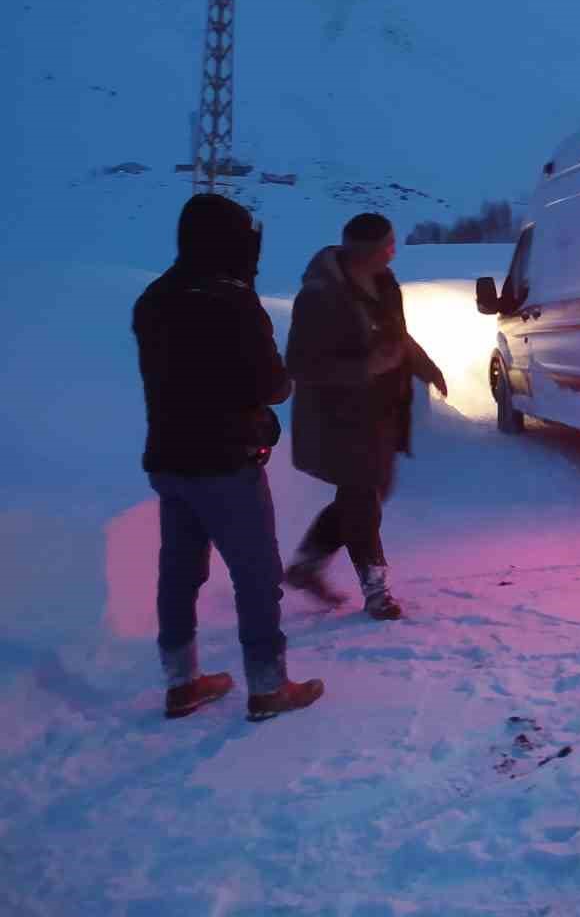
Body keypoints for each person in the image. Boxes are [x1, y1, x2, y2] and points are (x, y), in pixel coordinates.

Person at [133, 194, 325, 721]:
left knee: (177, 573)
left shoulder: (154, 298)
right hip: (226, 462)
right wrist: (281, 380)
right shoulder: (233, 301)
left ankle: (182, 682)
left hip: (168, 460)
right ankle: (267, 687)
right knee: (256, 574)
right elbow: (271, 384)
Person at [283, 213, 447, 619]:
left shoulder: (385, 282)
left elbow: (397, 335)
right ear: (367, 251)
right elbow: (300, 365)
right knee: (362, 501)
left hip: (382, 412)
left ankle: (306, 565)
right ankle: (377, 591)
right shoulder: (320, 295)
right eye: (388, 245)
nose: (394, 251)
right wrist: (365, 368)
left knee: (371, 494)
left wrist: (426, 366)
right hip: (339, 417)